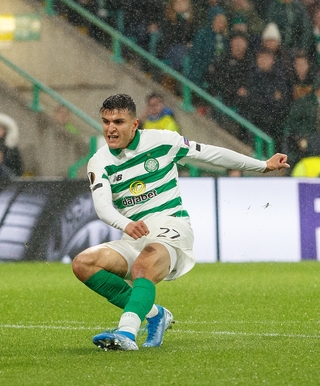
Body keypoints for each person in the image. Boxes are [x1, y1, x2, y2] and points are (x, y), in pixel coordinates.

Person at [73, 94, 288, 351]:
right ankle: (154, 314)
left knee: (143, 266)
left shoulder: (163, 141)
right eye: (106, 122)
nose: (111, 129)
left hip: (171, 227)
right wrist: (125, 224)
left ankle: (126, 333)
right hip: (133, 235)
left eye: (118, 121)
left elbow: (210, 154)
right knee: (83, 263)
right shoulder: (99, 161)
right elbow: (102, 205)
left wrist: (262, 165)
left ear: (135, 124)